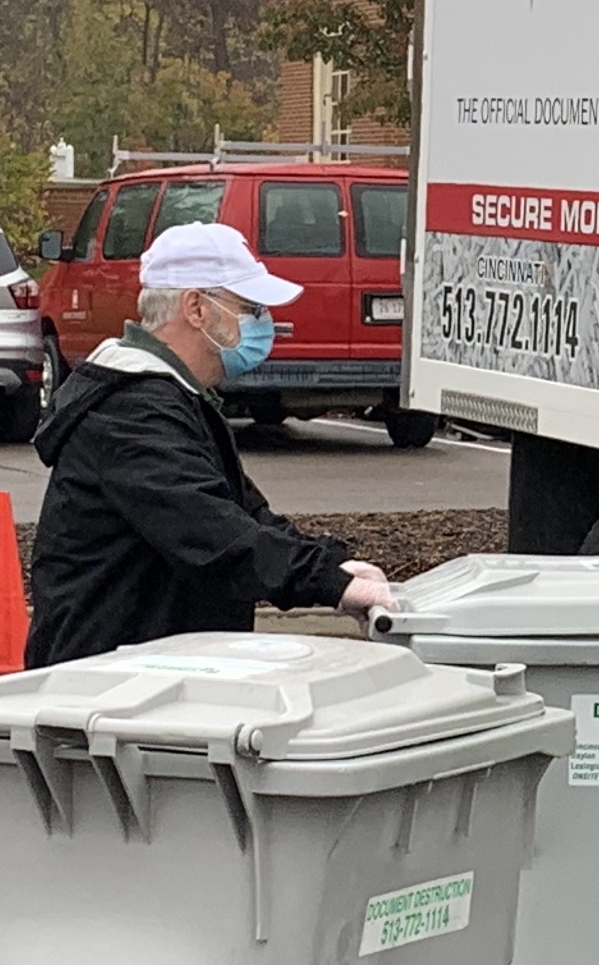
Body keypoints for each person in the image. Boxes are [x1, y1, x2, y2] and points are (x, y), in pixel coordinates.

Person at [21, 219, 398, 666]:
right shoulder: (133, 411)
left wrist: (334, 569)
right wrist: (330, 584)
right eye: (250, 307)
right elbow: (211, 535)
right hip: (104, 684)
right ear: (196, 308)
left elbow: (244, 514)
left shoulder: (172, 399)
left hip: (146, 673)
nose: (264, 322)